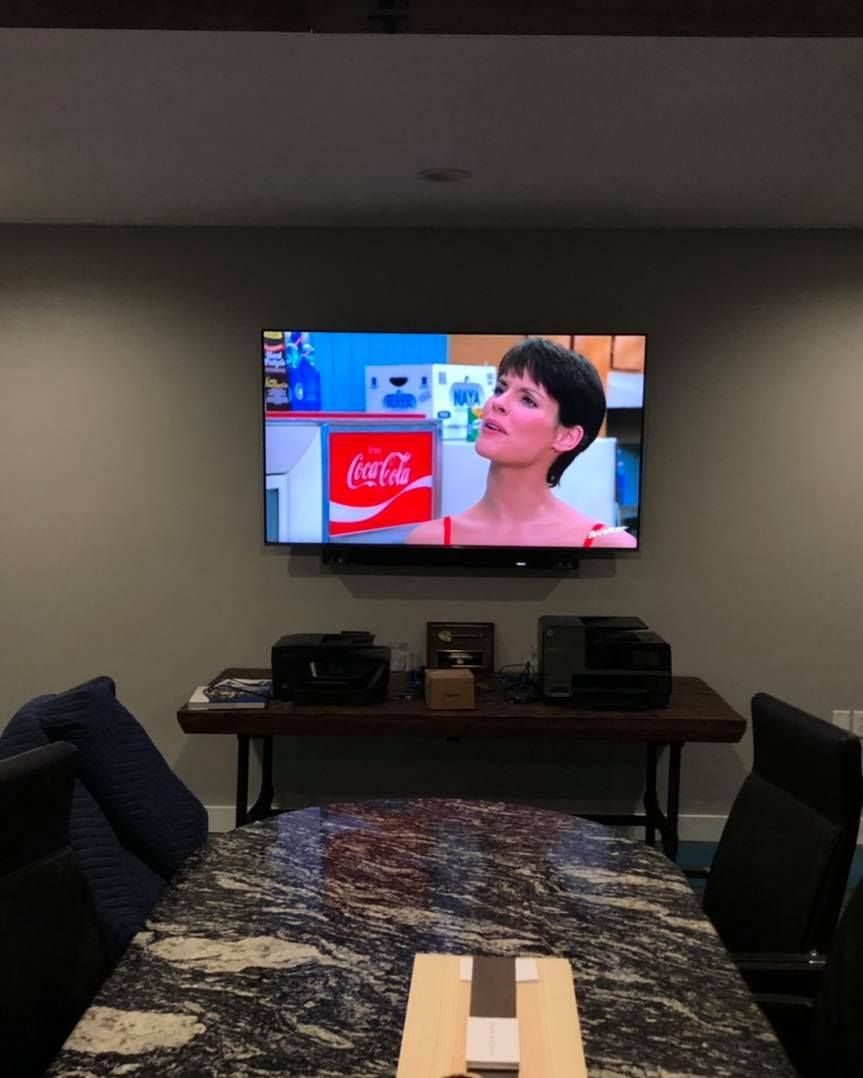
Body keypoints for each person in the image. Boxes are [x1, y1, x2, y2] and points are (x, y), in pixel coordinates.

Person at [406, 337, 637, 548]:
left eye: (528, 400)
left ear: (566, 437)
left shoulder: (608, 543)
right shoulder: (428, 540)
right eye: (500, 389)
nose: (498, 403)